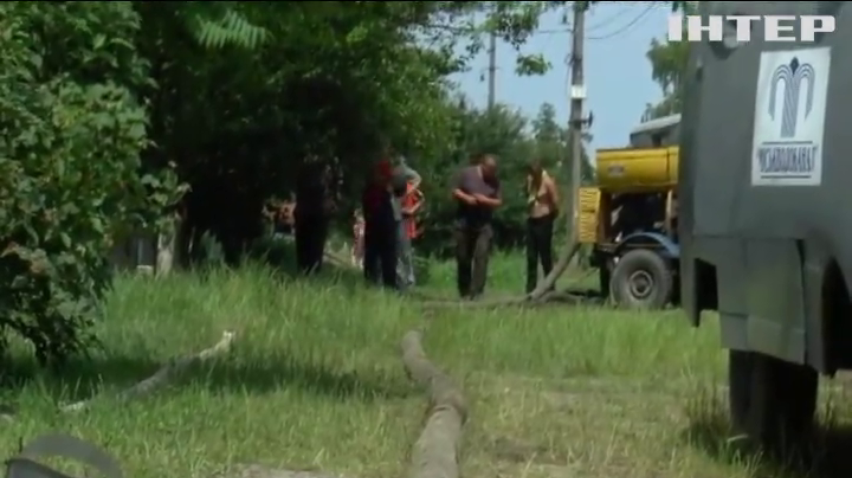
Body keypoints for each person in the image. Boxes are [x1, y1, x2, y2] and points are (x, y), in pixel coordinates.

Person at [451, 153, 502, 299]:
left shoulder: (495, 181)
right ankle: (464, 291)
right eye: (490, 169)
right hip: (463, 222)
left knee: (482, 256)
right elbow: (454, 190)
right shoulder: (466, 173)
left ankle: (477, 291)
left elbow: (499, 201)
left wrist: (484, 200)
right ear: (482, 165)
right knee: (463, 257)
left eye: (494, 170)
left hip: (483, 224)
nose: (492, 173)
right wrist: (467, 198)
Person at [525, 159, 560, 293]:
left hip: (544, 220)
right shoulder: (530, 181)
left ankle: (550, 287)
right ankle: (530, 288)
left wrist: (551, 216)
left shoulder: (547, 182)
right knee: (531, 256)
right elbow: (527, 195)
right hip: (531, 220)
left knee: (545, 256)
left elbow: (556, 201)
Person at [362, 160, 397, 288]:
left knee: (387, 259)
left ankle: (388, 285)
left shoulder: (382, 192)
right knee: (374, 257)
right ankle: (372, 283)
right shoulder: (373, 191)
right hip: (377, 226)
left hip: (382, 227)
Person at [295, 160, 332, 275]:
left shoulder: (303, 176)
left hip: (305, 214)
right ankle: (312, 271)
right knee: (315, 249)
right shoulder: (322, 184)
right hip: (316, 215)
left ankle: (305, 271)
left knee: (305, 251)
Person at [391, 156, 422, 289]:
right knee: (395, 250)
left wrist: (411, 210)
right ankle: (399, 279)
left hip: (404, 221)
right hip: (393, 218)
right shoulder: (388, 189)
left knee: (405, 250)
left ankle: (409, 278)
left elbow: (421, 200)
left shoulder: (408, 187)